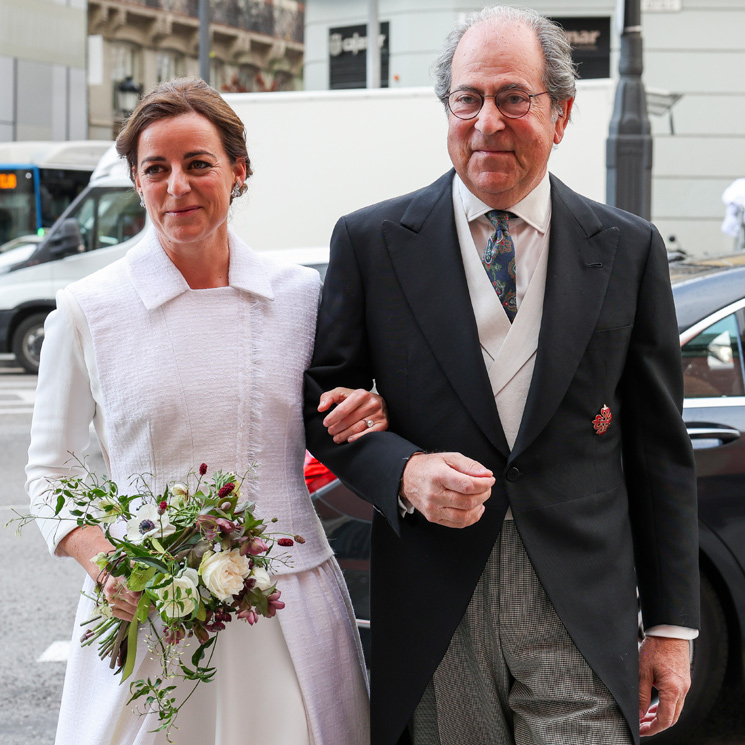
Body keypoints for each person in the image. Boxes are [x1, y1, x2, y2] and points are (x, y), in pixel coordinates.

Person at [303, 6, 699, 745]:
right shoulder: (370, 243)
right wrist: (405, 471)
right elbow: (321, 408)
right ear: (446, 109)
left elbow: (657, 452)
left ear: (560, 114)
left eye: (512, 97)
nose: (487, 121)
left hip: (578, 603)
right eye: (467, 98)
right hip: (434, 596)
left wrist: (671, 629)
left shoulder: (626, 248)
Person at [26, 77, 385, 745]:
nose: (176, 186)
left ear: (238, 171)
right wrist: (108, 565)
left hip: (289, 604)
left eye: (198, 164)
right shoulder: (87, 308)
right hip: (150, 606)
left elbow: (340, 412)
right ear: (135, 180)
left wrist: (370, 406)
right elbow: (50, 471)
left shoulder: (300, 296)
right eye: (155, 169)